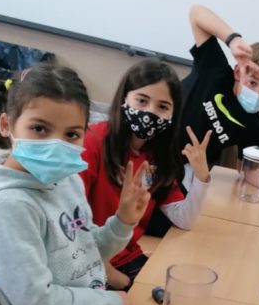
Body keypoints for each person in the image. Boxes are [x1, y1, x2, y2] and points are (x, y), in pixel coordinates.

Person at [0, 64, 149, 305]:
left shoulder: (65, 180)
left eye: (71, 134)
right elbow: (36, 302)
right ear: (7, 125)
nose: (56, 144)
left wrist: (123, 221)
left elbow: (85, 251)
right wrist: (110, 302)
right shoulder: (7, 207)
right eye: (40, 129)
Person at [82, 59, 211, 288]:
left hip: (126, 258)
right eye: (142, 101)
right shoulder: (93, 141)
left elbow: (184, 219)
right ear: (124, 99)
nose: (150, 112)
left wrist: (202, 178)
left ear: (173, 114)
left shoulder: (156, 157)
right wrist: (113, 276)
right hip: (86, 262)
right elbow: (69, 223)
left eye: (163, 106)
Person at [180, 4, 259, 199]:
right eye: (252, 82)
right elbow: (196, 13)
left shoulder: (256, 127)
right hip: (154, 140)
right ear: (238, 72)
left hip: (184, 170)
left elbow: (246, 169)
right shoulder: (214, 70)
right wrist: (233, 39)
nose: (257, 93)